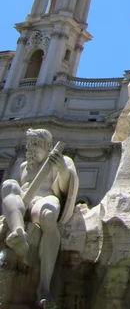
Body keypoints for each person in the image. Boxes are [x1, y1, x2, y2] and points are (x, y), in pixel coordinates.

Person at [1, 128, 78, 306]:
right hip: (23, 203)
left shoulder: (62, 160)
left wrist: (63, 171)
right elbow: (15, 193)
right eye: (28, 145)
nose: (30, 149)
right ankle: (19, 233)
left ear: (47, 146)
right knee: (9, 184)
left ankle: (44, 287)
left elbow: (66, 188)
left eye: (35, 144)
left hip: (45, 198)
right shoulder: (23, 166)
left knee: (49, 215)